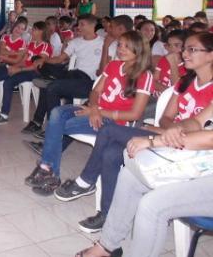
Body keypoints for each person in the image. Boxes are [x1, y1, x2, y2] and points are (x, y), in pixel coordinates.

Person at [55, 32, 211, 234]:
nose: (184, 53)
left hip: (191, 149)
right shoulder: (184, 82)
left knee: (109, 130)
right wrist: (165, 129)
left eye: (192, 49)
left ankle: (86, 180)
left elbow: (200, 130)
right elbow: (167, 117)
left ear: (210, 55)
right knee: (111, 152)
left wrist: (165, 132)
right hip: (166, 137)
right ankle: (106, 213)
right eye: (185, 49)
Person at [74, 102, 213, 257]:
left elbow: (210, 138)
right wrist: (178, 128)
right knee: (130, 177)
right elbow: (197, 121)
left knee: (152, 205)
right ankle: (107, 247)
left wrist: (153, 141)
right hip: (205, 164)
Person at [25, 30, 154, 196]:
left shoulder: (145, 75)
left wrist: (99, 112)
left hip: (114, 123)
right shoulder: (113, 65)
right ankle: (48, 171)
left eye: (127, 46)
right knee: (57, 113)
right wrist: (94, 109)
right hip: (94, 111)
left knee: (61, 125)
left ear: (139, 50)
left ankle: (48, 171)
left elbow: (135, 115)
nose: (121, 49)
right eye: (120, 45)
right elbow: (95, 92)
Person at [21, 15, 104, 136]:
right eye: (78, 24)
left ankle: (46, 126)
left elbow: (106, 69)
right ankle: (50, 79)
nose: (78, 27)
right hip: (72, 74)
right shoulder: (76, 42)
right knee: (38, 60)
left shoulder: (103, 43)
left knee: (50, 87)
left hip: (87, 80)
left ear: (92, 25)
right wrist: (44, 60)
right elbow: (59, 59)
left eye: (82, 24)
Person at [0, 21, 53, 125]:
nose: (31, 32)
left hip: (36, 73)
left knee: (8, 82)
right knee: (3, 78)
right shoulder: (32, 44)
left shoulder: (46, 47)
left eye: (34, 29)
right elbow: (24, 61)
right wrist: (14, 67)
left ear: (41, 32)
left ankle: (3, 114)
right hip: (26, 69)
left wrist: (19, 70)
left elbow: (36, 66)